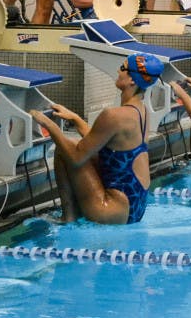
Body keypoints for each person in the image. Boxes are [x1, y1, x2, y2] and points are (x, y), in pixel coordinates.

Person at [30, 53, 161, 224]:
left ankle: (68, 218)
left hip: (109, 209)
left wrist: (49, 125)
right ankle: (71, 216)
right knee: (78, 146)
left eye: (122, 68)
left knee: (65, 151)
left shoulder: (113, 115)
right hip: (135, 208)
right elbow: (100, 139)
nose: (117, 70)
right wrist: (75, 119)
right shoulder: (141, 111)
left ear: (132, 80)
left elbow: (76, 159)